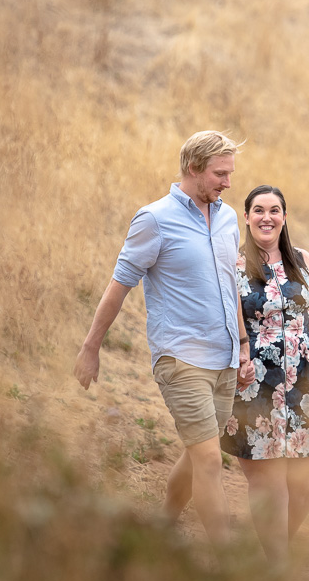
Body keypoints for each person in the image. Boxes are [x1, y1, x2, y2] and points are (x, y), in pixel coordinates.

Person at [73, 130, 253, 548]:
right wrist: (91, 347)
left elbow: (230, 286)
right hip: (181, 357)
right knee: (209, 459)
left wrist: (242, 344)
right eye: (220, 173)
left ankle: (159, 530)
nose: (228, 182)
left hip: (225, 359)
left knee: (196, 456)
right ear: (193, 168)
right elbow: (119, 285)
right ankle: (228, 567)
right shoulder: (154, 219)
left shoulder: (226, 219)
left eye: (229, 173)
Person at [220, 184, 309, 566]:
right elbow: (224, 326)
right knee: (268, 485)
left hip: (308, 380)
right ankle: (278, 568)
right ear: (246, 217)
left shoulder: (303, 261)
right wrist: (237, 361)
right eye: (259, 210)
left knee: (305, 486)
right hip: (254, 385)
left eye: (275, 210)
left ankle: (275, 551)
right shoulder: (231, 265)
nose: (267, 217)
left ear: (284, 217)